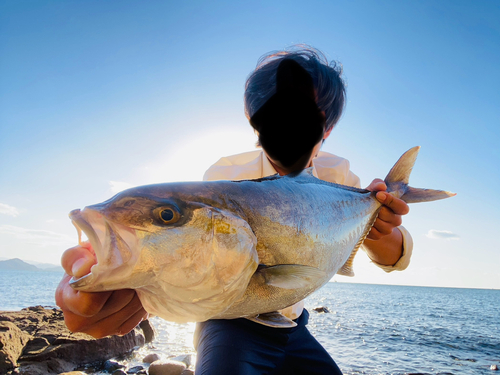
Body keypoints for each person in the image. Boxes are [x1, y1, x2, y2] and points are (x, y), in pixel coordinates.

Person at [55, 46, 412, 373]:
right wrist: (139, 279)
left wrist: (380, 227)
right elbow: (195, 249)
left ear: (326, 127)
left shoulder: (340, 178)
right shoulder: (225, 176)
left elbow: (395, 257)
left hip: (294, 324)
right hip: (228, 323)